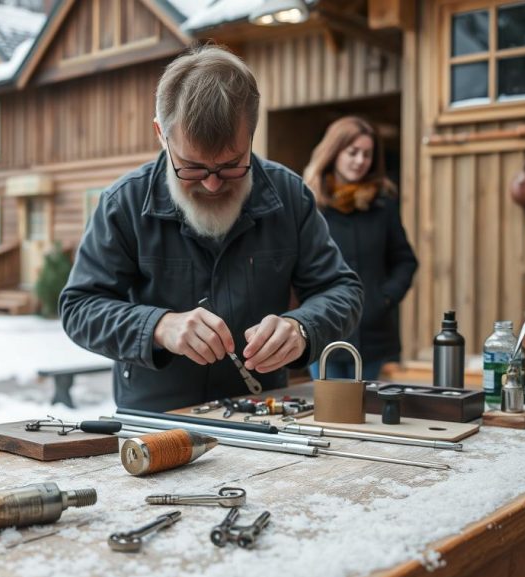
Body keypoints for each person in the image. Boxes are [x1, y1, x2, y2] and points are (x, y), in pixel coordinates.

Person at [60, 45, 363, 412]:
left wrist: (301, 328)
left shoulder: (290, 196)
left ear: (251, 133)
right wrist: (158, 326)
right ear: (161, 133)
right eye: (192, 167)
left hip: (263, 412)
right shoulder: (123, 203)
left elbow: (342, 290)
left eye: (232, 165)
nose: (213, 184)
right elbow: (79, 308)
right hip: (157, 420)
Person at [302, 116, 417, 381]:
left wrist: (384, 297)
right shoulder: (309, 203)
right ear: (334, 152)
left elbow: (405, 260)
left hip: (373, 335)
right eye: (352, 152)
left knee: (368, 415)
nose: (360, 161)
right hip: (324, 330)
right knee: (329, 414)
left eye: (367, 154)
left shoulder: (382, 203)